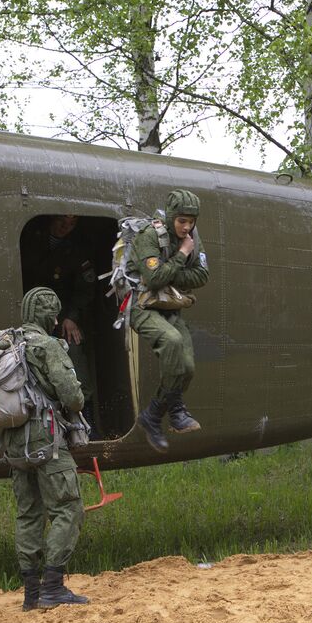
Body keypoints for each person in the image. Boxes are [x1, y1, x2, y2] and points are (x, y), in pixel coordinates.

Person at [0, 287, 89, 610]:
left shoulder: (7, 344)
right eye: (54, 314)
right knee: (67, 506)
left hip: (14, 444)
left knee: (28, 513)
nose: (57, 319)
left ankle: (31, 593)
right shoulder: (47, 346)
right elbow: (73, 397)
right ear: (47, 316)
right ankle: (53, 585)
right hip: (46, 441)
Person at [129, 189, 210, 452]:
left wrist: (169, 273)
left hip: (169, 307)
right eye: (182, 221)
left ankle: (158, 415)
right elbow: (152, 280)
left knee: (187, 367)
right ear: (171, 217)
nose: (187, 228)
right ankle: (168, 413)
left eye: (191, 221)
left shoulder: (191, 237)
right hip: (142, 306)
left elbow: (201, 276)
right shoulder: (149, 236)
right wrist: (181, 256)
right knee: (173, 342)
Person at [20, 214, 97, 413]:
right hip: (29, 312)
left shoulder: (76, 250)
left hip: (62, 314)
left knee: (73, 350)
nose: (65, 227)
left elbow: (86, 288)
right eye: (62, 221)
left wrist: (71, 317)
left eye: (71, 224)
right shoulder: (32, 240)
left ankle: (84, 413)